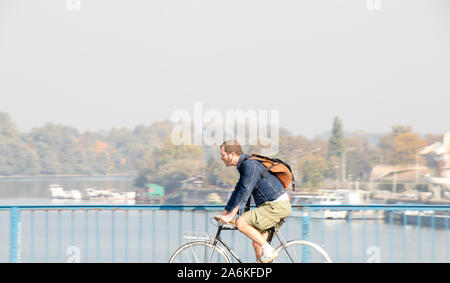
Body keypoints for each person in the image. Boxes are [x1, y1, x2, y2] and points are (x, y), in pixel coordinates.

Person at [216, 140, 292, 263]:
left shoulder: (249, 165)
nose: (221, 158)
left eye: (222, 154)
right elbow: (238, 191)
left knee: (240, 223)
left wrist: (231, 215)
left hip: (275, 206)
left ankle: (269, 250)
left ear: (232, 154)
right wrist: (225, 212)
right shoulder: (245, 166)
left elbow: (245, 191)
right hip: (275, 206)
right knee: (257, 244)